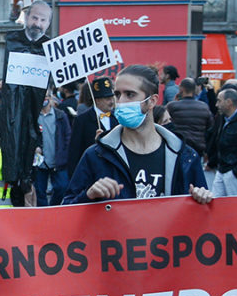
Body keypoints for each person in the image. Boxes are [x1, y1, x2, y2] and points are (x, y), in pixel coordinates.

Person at [63, 65, 212, 205]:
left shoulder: (184, 156)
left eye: (130, 94)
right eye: (117, 94)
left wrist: (202, 199)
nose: (120, 101)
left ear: (152, 101)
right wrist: (89, 196)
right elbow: (67, 208)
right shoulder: (97, 155)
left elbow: (202, 220)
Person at [0, 0, 53, 205]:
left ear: (48, 23)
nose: (37, 23)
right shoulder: (13, 39)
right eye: (34, 18)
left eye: (43, 20)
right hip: (12, 114)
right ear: (27, 18)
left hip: (33, 121)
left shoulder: (50, 48)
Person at [67, 77, 119, 176]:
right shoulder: (82, 120)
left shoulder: (117, 118)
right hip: (93, 172)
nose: (111, 101)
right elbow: (75, 151)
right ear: (97, 100)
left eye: (112, 98)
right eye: (107, 99)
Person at [33, 90, 72, 206]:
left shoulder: (60, 115)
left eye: (46, 97)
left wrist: (64, 154)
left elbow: (68, 136)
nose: (44, 100)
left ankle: (54, 207)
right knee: (40, 191)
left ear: (51, 98)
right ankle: (44, 214)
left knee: (62, 187)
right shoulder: (34, 117)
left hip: (58, 161)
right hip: (40, 162)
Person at [166, 78, 212, 157]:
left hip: (178, 146)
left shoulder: (172, 106)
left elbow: (164, 121)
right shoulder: (204, 107)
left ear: (181, 89)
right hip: (198, 148)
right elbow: (210, 126)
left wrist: (174, 101)